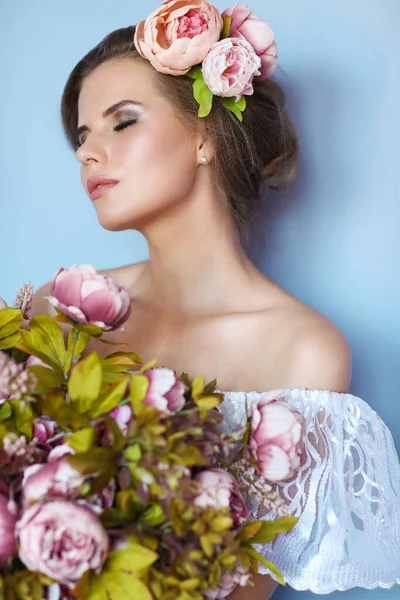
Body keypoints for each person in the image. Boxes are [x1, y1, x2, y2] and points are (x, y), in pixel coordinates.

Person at [31, 2, 400, 598]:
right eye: (83, 134)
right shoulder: (62, 310)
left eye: (122, 122)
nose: (86, 152)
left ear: (205, 136)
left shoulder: (302, 352)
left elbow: (240, 585)